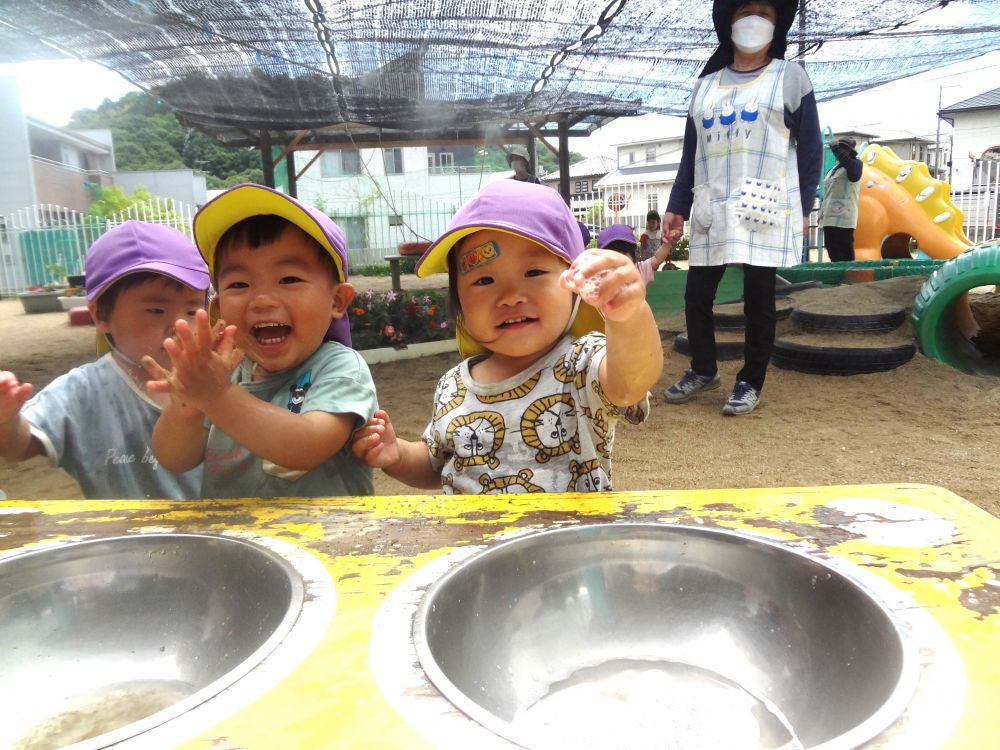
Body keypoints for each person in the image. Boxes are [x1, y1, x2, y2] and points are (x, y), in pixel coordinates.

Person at [351, 180, 662, 494]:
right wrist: (397, 454)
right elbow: (436, 463)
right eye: (485, 280)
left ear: (573, 281)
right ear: (459, 303)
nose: (511, 296)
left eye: (533, 273)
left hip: (569, 540)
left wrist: (630, 317)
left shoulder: (582, 364)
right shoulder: (453, 385)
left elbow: (629, 382)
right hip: (481, 542)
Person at [146, 184, 379, 498]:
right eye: (239, 284)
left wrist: (216, 397)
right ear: (217, 306)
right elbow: (175, 459)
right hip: (233, 541)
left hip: (326, 542)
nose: (261, 300)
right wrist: (186, 407)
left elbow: (306, 447)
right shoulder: (224, 370)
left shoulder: (340, 369)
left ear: (337, 300)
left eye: (288, 279)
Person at [661, 0, 822, 416]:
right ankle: (703, 368)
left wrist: (806, 204)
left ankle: (750, 380)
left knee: (759, 299)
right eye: (745, 11)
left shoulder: (790, 77)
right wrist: (678, 204)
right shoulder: (705, 86)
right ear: (728, 21)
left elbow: (809, 147)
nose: (754, 20)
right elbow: (690, 151)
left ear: (777, 25)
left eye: (765, 14)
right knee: (697, 294)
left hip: (762, 201)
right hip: (713, 201)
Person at [0, 221, 209, 498]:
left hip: (222, 535)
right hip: (124, 537)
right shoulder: (81, 391)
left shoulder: (222, 379)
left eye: (193, 310)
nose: (179, 325)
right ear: (101, 315)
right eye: (156, 310)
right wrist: (7, 420)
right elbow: (20, 447)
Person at [818, 137, 863, 262]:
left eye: (841, 150)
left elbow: (854, 175)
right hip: (829, 216)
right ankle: (840, 279)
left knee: (844, 250)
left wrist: (837, 148)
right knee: (832, 248)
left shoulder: (856, 164)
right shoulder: (833, 169)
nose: (837, 153)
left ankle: (848, 279)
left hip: (844, 217)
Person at [597, 223, 675, 285]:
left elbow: (657, 259)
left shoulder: (639, 269)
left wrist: (667, 244)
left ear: (633, 254)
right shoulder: (601, 277)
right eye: (611, 257)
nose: (618, 260)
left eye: (623, 254)